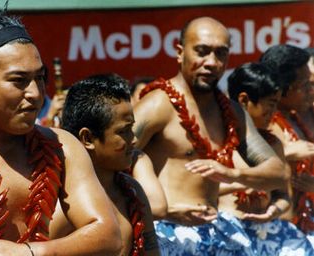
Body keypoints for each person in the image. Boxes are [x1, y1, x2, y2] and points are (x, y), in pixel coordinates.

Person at [0, 5, 122, 256]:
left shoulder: (62, 148)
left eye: (40, 78)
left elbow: (109, 236)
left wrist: (28, 253)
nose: (35, 94)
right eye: (19, 81)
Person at [133, 16, 288, 255]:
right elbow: (110, 165)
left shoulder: (232, 112)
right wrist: (163, 210)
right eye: (202, 52)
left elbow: (278, 172)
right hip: (166, 232)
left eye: (221, 54)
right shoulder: (157, 105)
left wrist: (231, 173)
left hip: (216, 232)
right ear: (179, 52)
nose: (212, 63)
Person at [58, 73, 161, 255]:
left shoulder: (133, 191)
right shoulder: (62, 205)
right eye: (124, 131)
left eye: (132, 128)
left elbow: (152, 252)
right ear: (88, 138)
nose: (135, 139)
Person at [225, 62, 313, 254]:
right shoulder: (217, 139)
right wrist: (241, 181)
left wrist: (274, 210)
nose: (274, 114)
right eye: (271, 104)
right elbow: (198, 188)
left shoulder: (273, 143)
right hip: (227, 231)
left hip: (271, 232)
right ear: (243, 101)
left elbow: (283, 197)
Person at [261, 44, 314, 238]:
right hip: (276, 233)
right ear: (283, 90)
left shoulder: (296, 120)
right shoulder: (261, 122)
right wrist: (285, 152)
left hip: (304, 229)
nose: (311, 90)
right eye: (306, 85)